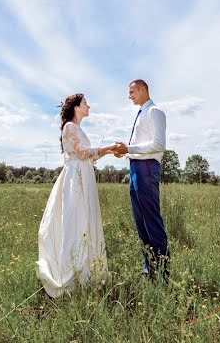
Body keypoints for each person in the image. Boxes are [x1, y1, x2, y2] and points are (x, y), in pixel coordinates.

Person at [37, 93, 118, 297]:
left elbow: (85, 155)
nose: (88, 106)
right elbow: (82, 153)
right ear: (76, 107)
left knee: (87, 222)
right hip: (76, 180)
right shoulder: (70, 127)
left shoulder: (78, 128)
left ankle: (88, 274)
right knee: (76, 223)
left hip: (84, 175)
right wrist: (108, 149)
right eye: (85, 104)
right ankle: (71, 278)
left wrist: (102, 153)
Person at [112, 79, 169, 280]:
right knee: (140, 222)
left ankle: (162, 273)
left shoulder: (155, 112)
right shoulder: (141, 113)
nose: (129, 96)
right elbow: (140, 146)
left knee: (151, 221)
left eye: (132, 91)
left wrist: (129, 149)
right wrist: (126, 153)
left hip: (147, 169)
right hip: (136, 168)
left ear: (143, 89)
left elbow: (158, 145)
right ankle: (149, 268)